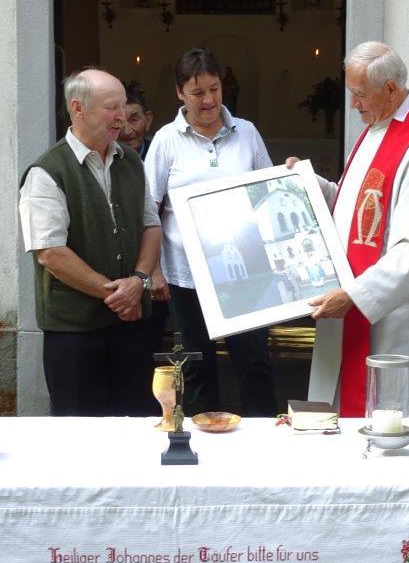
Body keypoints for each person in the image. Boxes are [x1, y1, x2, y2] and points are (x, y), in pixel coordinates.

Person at [287, 41, 409, 417]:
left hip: (393, 325)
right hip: (361, 313)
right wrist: (310, 184)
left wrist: (354, 296)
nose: (353, 104)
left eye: (359, 94)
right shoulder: (376, 129)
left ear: (389, 89)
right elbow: (356, 209)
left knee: (389, 423)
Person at [19, 68, 162, 416]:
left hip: (131, 325)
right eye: (111, 108)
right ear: (78, 108)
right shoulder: (47, 171)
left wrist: (139, 281)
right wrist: (118, 295)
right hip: (75, 333)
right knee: (79, 432)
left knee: (137, 423)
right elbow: (50, 253)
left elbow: (151, 225)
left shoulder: (130, 161)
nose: (121, 117)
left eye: (123, 106)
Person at [145, 47, 277, 417]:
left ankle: (264, 435)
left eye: (214, 89)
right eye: (197, 92)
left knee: (253, 361)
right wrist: (154, 269)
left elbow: (266, 192)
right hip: (187, 276)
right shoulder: (166, 140)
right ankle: (201, 437)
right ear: (179, 93)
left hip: (245, 271)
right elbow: (149, 208)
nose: (208, 100)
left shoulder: (246, 133)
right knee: (195, 364)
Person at [120, 81, 170, 356]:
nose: (127, 130)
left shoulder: (163, 152)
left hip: (168, 267)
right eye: (121, 120)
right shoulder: (107, 159)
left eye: (135, 118)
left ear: (148, 119)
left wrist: (156, 269)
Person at [119, 81, 154, 160]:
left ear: (148, 120)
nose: (126, 132)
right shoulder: (100, 157)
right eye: (119, 121)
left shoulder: (161, 154)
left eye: (134, 120)